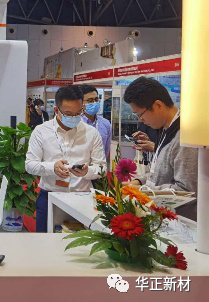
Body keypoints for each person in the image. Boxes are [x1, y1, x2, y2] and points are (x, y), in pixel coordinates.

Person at [26, 85, 106, 232]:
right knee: (44, 241)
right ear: (56, 110)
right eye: (69, 114)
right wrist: (52, 167)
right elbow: (30, 165)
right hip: (49, 196)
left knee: (80, 245)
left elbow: (102, 168)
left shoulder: (92, 133)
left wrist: (88, 171)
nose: (74, 117)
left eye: (78, 113)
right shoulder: (41, 131)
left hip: (82, 198)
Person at [123, 77, 198, 194]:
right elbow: (159, 174)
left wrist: (143, 190)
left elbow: (187, 191)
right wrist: (140, 181)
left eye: (140, 114)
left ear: (158, 105)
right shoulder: (165, 129)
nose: (140, 120)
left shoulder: (185, 136)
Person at [80, 85, 112, 161]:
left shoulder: (106, 124)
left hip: (99, 165)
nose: (94, 103)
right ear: (81, 103)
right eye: (90, 100)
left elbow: (106, 149)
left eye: (96, 99)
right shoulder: (75, 123)